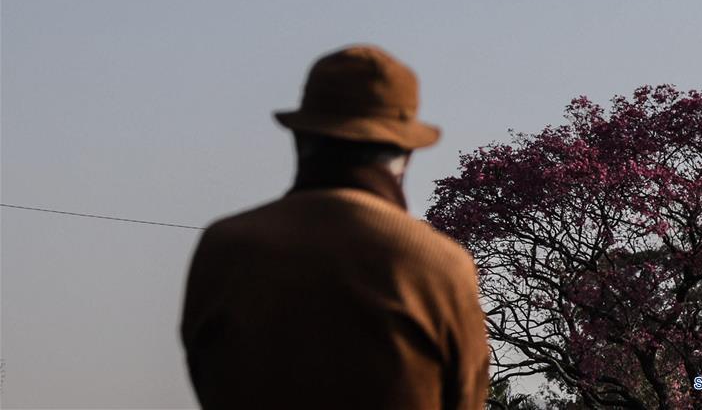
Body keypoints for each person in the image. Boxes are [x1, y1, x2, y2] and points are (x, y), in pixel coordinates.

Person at [180, 45, 490, 410]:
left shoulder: (224, 247)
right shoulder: (437, 264)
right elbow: (466, 399)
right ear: (405, 153)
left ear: (301, 138)